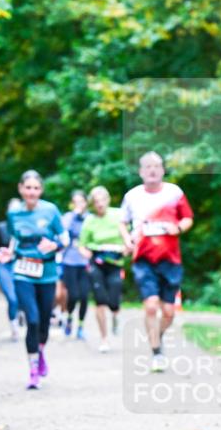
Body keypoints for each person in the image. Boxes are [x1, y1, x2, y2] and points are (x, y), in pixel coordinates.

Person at [119, 151, 193, 372]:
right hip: (143, 259)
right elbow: (122, 222)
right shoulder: (132, 196)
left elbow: (188, 218)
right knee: (151, 306)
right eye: (147, 166)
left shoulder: (174, 193)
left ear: (162, 170)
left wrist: (178, 227)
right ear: (141, 171)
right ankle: (156, 352)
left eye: (156, 166)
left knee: (168, 311)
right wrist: (127, 239)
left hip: (170, 259)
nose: (152, 170)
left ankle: (156, 336)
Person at [0, 171, 66, 390]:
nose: (32, 192)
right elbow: (14, 238)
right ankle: (33, 369)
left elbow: (65, 238)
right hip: (22, 270)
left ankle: (40, 350)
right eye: (28, 188)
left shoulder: (51, 210)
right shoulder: (14, 214)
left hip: (47, 272)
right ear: (20, 189)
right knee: (33, 320)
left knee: (44, 322)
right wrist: (9, 253)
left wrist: (55, 245)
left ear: (41, 190)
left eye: (36, 188)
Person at [78, 186, 127, 353]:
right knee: (100, 300)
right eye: (96, 201)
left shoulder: (119, 215)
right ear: (92, 203)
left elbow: (128, 237)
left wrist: (127, 248)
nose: (100, 204)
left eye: (102, 200)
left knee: (113, 301)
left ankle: (115, 315)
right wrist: (86, 254)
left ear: (108, 200)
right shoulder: (89, 220)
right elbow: (82, 245)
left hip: (115, 262)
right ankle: (104, 338)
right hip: (96, 261)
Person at [60, 190, 91, 340]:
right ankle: (69, 318)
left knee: (84, 296)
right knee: (73, 295)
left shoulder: (90, 218)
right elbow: (62, 232)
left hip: (85, 262)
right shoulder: (68, 217)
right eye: (76, 202)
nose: (79, 205)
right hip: (70, 261)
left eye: (82, 202)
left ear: (86, 203)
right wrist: (74, 214)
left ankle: (80, 326)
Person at [0, 200, 23, 341]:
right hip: (5, 266)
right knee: (12, 298)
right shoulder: (1, 227)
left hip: (22, 265)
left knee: (22, 298)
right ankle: (14, 328)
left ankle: (20, 314)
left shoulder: (26, 228)